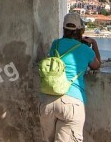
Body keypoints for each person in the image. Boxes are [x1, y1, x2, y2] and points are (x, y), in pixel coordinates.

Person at [39, 13, 101, 142]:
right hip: (72, 102)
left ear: (64, 30)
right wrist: (93, 43)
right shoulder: (85, 49)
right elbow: (96, 65)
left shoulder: (55, 44)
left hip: (47, 101)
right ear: (81, 31)